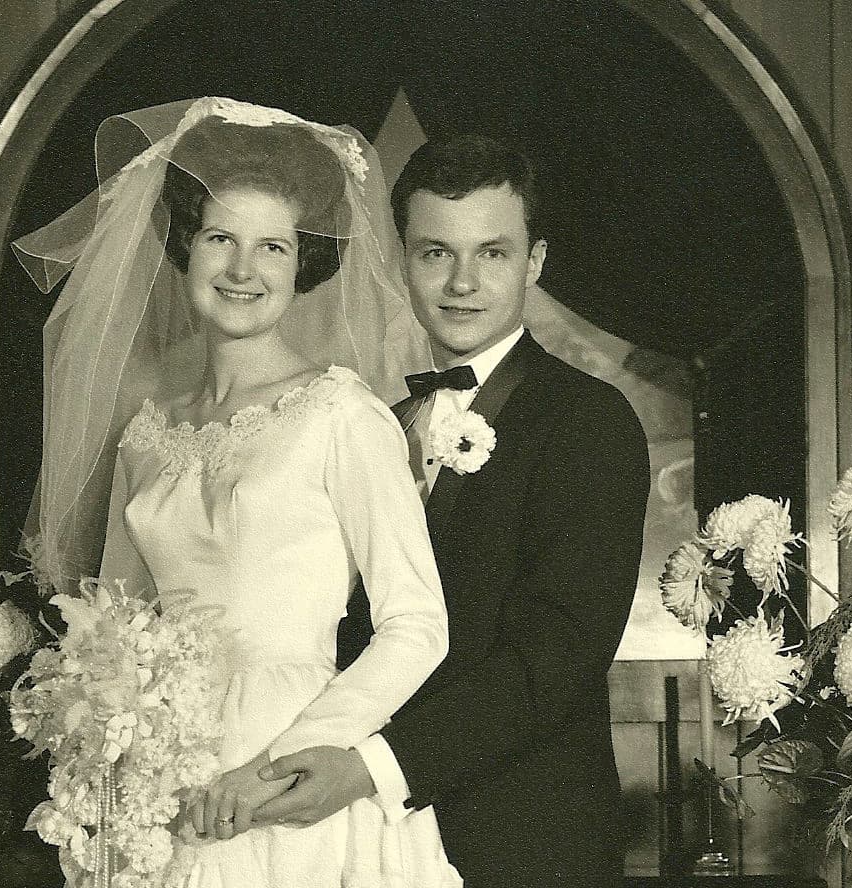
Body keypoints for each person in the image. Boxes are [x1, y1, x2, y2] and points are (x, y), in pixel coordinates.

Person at [14, 97, 462, 887]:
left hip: (289, 765)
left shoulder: (341, 415)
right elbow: (111, 627)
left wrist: (280, 766)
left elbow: (417, 626)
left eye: (273, 247)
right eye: (221, 238)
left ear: (302, 263)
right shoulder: (145, 436)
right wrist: (109, 768)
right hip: (163, 773)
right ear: (185, 248)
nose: (243, 269)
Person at [248, 134, 652, 888]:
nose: (462, 282)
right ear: (403, 259)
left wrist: (369, 769)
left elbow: (556, 657)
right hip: (368, 841)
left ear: (535, 262)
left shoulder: (589, 420)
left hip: (523, 843)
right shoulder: (377, 421)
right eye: (436, 253)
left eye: (492, 254)